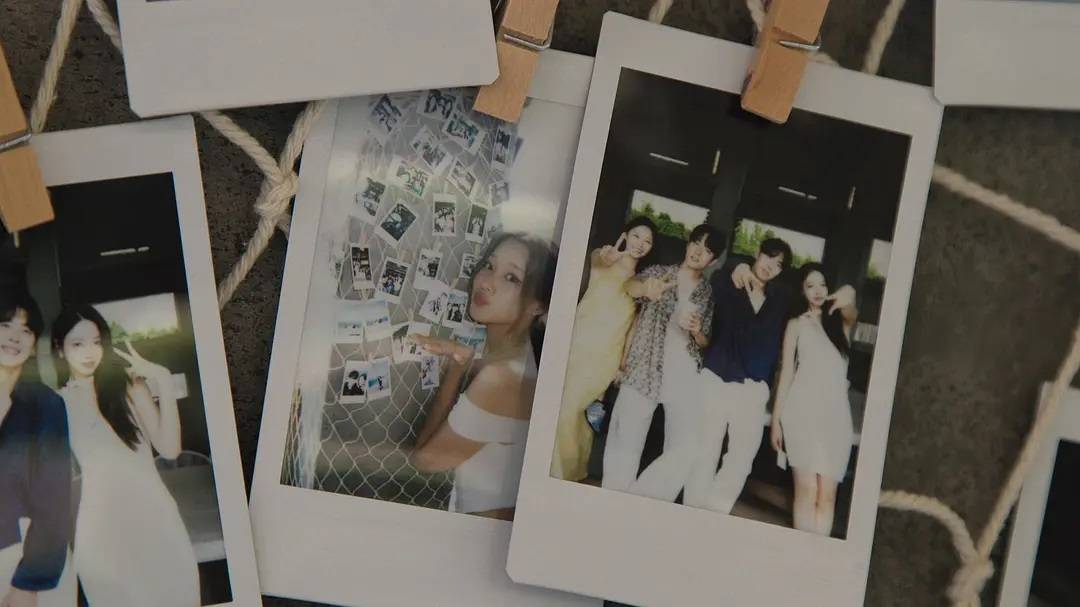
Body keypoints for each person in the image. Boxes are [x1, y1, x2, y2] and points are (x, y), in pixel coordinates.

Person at [52, 305, 199, 606]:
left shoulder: (130, 386)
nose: (89, 352)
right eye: (77, 344)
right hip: (102, 529)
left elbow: (170, 449)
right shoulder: (57, 403)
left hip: (155, 517)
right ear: (60, 350)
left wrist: (163, 379)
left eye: (96, 342)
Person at [410, 232, 556, 520]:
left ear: (537, 305)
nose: (487, 282)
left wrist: (456, 369)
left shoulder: (502, 376)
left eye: (511, 278)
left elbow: (423, 461)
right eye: (489, 266)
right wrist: (462, 361)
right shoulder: (516, 361)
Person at [602, 224, 722, 499]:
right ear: (688, 244)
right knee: (624, 443)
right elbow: (630, 286)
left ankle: (644, 499)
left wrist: (697, 331)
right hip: (645, 364)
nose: (698, 252)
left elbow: (704, 341)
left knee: (687, 446)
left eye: (707, 250)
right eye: (696, 243)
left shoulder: (706, 293)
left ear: (713, 261)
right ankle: (611, 503)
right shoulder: (659, 272)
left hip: (683, 373)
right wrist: (647, 288)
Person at [686, 238, 793, 513]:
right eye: (768, 257)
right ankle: (691, 510)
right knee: (705, 450)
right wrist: (737, 264)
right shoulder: (728, 280)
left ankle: (714, 511)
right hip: (717, 377)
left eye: (779, 264)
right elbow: (718, 273)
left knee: (742, 458)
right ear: (757, 253)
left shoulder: (781, 299)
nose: (770, 266)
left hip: (753, 387)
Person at [550, 217, 657, 482]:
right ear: (625, 235)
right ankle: (557, 475)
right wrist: (608, 255)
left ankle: (566, 476)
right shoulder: (604, 256)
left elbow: (632, 328)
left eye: (647, 241)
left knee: (578, 415)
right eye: (636, 236)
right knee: (561, 410)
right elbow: (602, 258)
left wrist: (622, 364)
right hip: (576, 347)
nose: (640, 244)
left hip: (606, 358)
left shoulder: (640, 283)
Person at [0, 292, 75, 607]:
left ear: (33, 344)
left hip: (25, 559)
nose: (14, 337)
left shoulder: (45, 404)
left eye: (26, 330)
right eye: (5, 325)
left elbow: (55, 497)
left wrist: (28, 584)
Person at [770, 263, 857, 535]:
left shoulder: (842, 321)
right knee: (806, 491)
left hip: (835, 417)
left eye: (822, 284)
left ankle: (818, 552)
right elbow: (786, 373)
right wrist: (776, 422)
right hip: (801, 413)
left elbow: (850, 302)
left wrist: (847, 294)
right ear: (802, 290)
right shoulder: (796, 324)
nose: (817, 291)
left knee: (827, 497)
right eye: (810, 286)